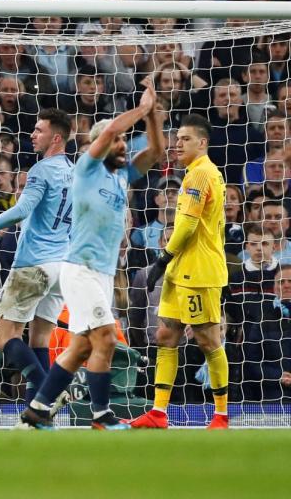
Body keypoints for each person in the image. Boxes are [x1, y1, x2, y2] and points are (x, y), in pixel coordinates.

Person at [19, 85, 161, 431]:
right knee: (107, 338)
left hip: (102, 274)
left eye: (125, 140)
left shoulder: (122, 176)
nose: (123, 145)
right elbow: (110, 131)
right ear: (100, 144)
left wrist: (153, 114)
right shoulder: (85, 168)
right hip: (80, 269)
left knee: (82, 347)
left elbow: (156, 151)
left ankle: (37, 409)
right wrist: (140, 109)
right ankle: (101, 415)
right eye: (118, 140)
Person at [0, 109, 86, 408]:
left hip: (34, 263)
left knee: (4, 338)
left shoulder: (41, 170)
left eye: (39, 130)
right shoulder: (75, 172)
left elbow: (21, 210)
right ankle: (35, 415)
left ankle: (50, 390)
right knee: (39, 341)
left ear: (57, 138)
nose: (32, 135)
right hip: (62, 267)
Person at [129, 113, 231, 430]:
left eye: (186, 139)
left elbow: (185, 225)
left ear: (203, 142)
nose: (178, 144)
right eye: (177, 139)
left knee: (208, 341)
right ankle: (158, 412)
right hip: (181, 269)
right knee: (165, 336)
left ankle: (221, 415)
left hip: (198, 271)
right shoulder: (195, 174)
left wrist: (161, 260)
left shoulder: (200, 174)